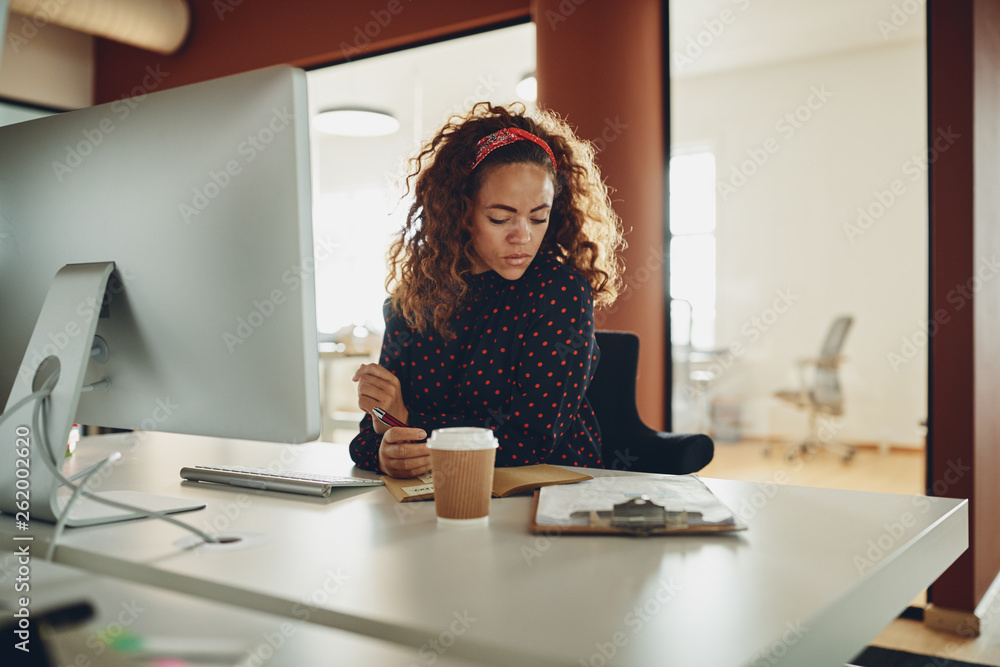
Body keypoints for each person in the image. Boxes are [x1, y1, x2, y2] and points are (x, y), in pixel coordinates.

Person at [349, 102, 624, 478]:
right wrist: (384, 449)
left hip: (547, 495)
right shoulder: (415, 296)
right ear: (460, 211)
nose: (522, 236)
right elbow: (370, 433)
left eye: (538, 217)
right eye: (500, 217)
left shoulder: (560, 291)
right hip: (437, 496)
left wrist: (411, 423)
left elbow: (532, 439)